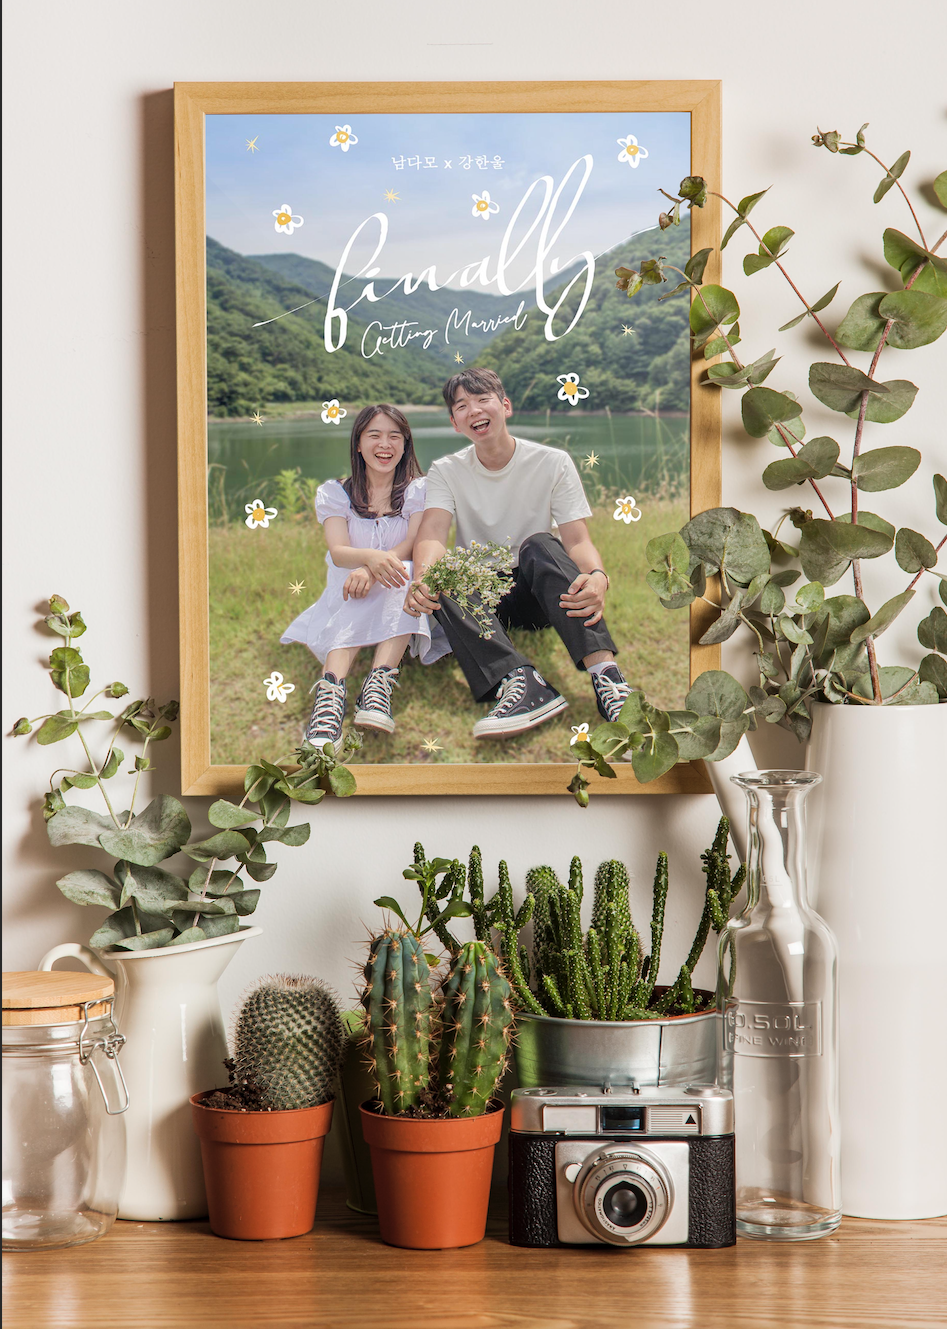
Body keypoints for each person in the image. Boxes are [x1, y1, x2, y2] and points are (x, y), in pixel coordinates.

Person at [403, 368, 633, 739]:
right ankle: (522, 682)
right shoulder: (446, 470)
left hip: (540, 592)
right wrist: (422, 577)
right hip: (481, 600)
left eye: (482, 400)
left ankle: (607, 678)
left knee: (541, 542)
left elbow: (576, 540)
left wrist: (597, 576)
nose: (473, 410)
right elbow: (432, 533)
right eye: (462, 405)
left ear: (505, 406)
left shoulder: (552, 462)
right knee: (443, 570)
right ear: (454, 422)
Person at [281, 404, 448, 749]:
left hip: (396, 587)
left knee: (403, 570)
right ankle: (330, 693)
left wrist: (375, 567)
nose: (384, 444)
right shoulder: (335, 492)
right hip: (348, 588)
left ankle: (378, 683)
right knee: (389, 570)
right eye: (374, 435)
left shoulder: (419, 490)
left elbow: (415, 542)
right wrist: (370, 560)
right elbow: (339, 551)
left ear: (405, 445)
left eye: (394, 436)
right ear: (358, 443)